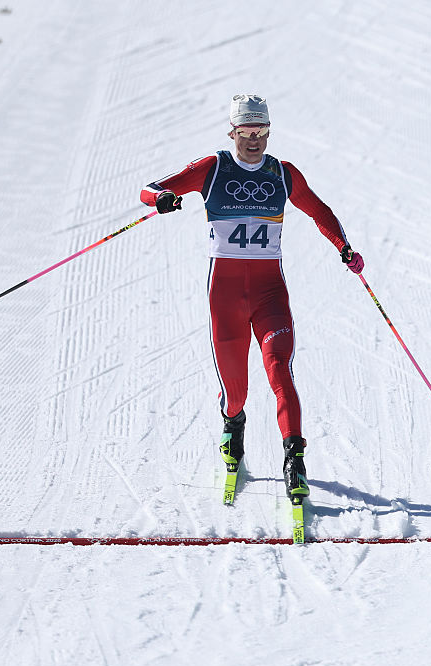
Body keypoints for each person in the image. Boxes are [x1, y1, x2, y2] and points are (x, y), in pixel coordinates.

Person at [139, 94, 364, 503]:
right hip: (224, 296)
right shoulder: (213, 169)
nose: (254, 139)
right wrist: (163, 199)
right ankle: (232, 425)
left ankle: (294, 459)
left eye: (261, 131)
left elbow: (319, 210)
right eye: (246, 132)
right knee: (235, 390)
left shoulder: (283, 173)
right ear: (233, 132)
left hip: (269, 293)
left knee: (280, 369)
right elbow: (149, 189)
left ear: (268, 131)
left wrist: (343, 246)